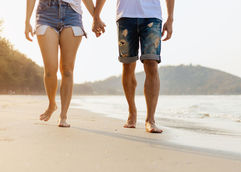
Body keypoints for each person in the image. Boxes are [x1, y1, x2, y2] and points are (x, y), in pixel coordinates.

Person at [93, 0, 175, 133]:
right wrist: (96, 17)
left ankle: (150, 119)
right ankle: (132, 112)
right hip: (125, 17)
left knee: (152, 63)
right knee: (128, 65)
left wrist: (170, 18)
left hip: (152, 17)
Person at [25, 0, 96, 127]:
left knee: (67, 69)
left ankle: (63, 115)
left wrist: (96, 18)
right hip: (46, 13)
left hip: (72, 14)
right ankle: (52, 103)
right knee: (50, 70)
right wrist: (27, 21)